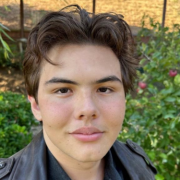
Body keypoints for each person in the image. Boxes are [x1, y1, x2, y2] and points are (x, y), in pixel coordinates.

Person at [0, 5, 157, 180]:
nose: (87, 109)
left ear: (124, 99)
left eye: (104, 89)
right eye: (63, 90)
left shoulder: (139, 168)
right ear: (36, 105)